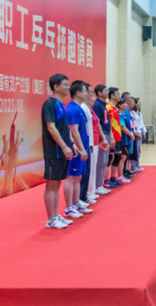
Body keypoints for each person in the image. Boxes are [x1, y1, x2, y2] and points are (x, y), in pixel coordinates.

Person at [41, 74, 74, 229]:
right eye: (65, 85)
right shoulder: (50, 104)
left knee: (57, 184)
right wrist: (64, 146)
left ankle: (55, 215)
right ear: (56, 87)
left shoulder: (62, 105)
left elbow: (64, 128)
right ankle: (50, 219)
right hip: (53, 150)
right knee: (51, 184)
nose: (68, 87)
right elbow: (51, 127)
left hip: (62, 151)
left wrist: (71, 144)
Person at [63, 81, 91, 219]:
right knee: (71, 177)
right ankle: (69, 207)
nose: (88, 94)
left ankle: (76, 203)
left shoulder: (79, 108)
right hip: (77, 149)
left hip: (83, 147)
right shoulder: (72, 109)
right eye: (86, 91)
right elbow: (73, 131)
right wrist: (81, 148)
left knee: (78, 177)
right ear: (78, 93)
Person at [91, 85, 112, 196]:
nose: (108, 92)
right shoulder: (97, 105)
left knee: (104, 161)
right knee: (100, 161)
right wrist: (103, 137)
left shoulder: (103, 105)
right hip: (101, 135)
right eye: (105, 90)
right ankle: (97, 185)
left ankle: (100, 184)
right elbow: (97, 123)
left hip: (106, 134)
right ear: (99, 93)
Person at [131, 97, 146, 172]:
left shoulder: (139, 113)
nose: (140, 104)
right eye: (139, 102)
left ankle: (137, 165)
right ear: (135, 104)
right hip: (136, 133)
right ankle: (133, 166)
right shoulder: (132, 113)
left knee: (139, 150)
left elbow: (142, 123)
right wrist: (136, 133)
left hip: (140, 132)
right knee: (135, 150)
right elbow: (133, 124)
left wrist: (144, 132)